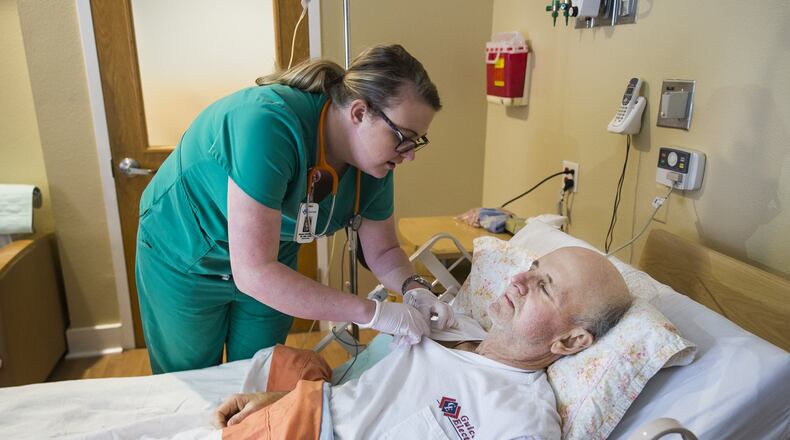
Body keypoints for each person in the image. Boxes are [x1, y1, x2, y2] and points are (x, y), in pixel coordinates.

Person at [135, 44, 455, 374]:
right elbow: (254, 272)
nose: (410, 154)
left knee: (256, 377)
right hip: (184, 253)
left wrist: (413, 288)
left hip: (271, 260)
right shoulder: (267, 125)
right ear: (359, 113)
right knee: (194, 383)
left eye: (417, 142)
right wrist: (371, 313)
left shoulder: (374, 165)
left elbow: (385, 250)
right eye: (404, 137)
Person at [214, 246, 633, 439]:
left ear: (571, 340)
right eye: (532, 267)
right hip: (311, 409)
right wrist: (279, 400)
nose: (519, 280)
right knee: (294, 361)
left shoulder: (520, 419)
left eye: (545, 287)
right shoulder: (454, 325)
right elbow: (359, 398)